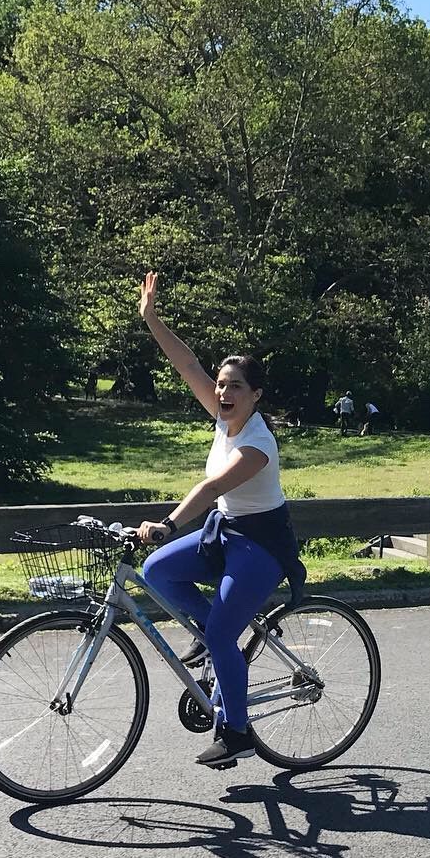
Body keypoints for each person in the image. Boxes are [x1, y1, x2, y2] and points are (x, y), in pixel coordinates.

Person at [134, 271, 306, 770]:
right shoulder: (223, 416)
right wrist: (152, 319)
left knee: (223, 637)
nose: (223, 391)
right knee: (156, 573)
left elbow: (211, 490)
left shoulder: (257, 445)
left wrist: (167, 523)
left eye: (235, 386)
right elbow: (185, 362)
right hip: (226, 534)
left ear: (255, 396)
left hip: (261, 547)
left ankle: (236, 731)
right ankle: (210, 633)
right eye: (221, 384)